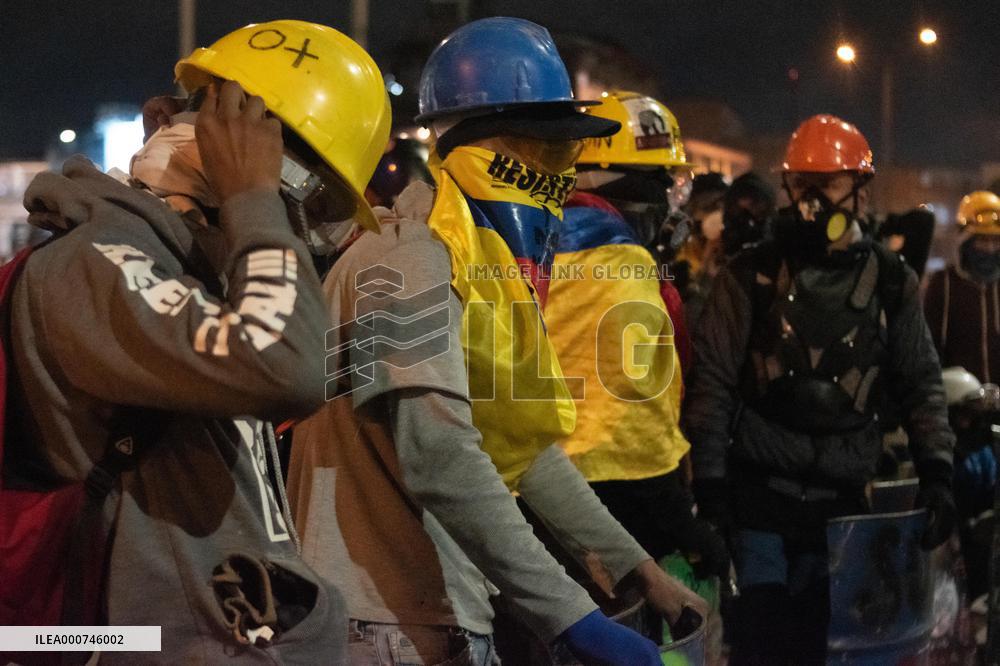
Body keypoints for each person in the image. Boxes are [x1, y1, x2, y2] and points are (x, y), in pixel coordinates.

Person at [287, 18, 705, 666]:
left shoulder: (473, 265)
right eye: (546, 150)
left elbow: (518, 446)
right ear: (493, 148)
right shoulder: (408, 262)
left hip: (425, 618)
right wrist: (574, 619)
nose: (560, 175)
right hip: (379, 626)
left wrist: (637, 569)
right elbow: (442, 456)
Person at [7, 20, 390, 662]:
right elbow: (290, 369)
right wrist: (255, 199)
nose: (317, 236)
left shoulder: (197, 281)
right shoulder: (92, 262)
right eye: (317, 202)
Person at [683, 114, 956, 664]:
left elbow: (920, 380)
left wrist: (938, 473)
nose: (813, 200)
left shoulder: (890, 280)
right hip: (760, 501)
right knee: (764, 646)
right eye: (803, 184)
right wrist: (710, 487)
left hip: (844, 511)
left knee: (837, 649)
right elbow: (711, 382)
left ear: (859, 190)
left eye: (827, 184)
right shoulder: (748, 275)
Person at [544, 89, 729, 657]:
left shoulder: (528, 238)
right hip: (610, 519)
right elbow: (633, 430)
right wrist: (685, 528)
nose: (672, 204)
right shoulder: (622, 265)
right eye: (660, 182)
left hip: (523, 507)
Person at [924, 191, 1000, 384]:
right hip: (959, 407)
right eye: (982, 240)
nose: (990, 249)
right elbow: (928, 351)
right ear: (965, 243)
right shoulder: (944, 285)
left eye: (996, 241)